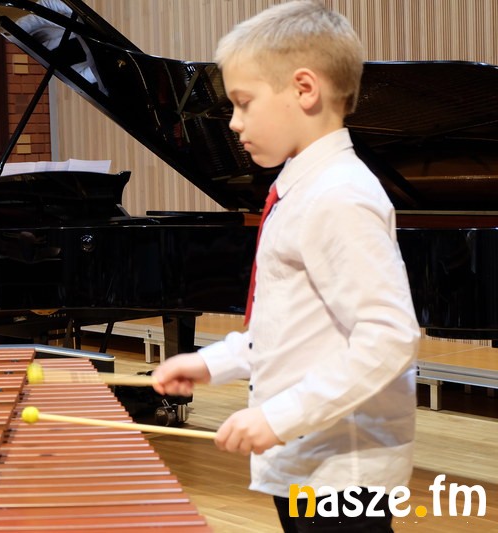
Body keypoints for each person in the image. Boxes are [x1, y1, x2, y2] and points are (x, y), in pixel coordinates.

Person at [152, 2, 420, 531]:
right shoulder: (303, 187)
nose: (234, 122)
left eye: (244, 103)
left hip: (341, 473)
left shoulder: (338, 196)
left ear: (304, 89)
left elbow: (389, 338)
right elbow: (289, 330)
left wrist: (280, 416)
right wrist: (213, 363)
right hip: (306, 459)